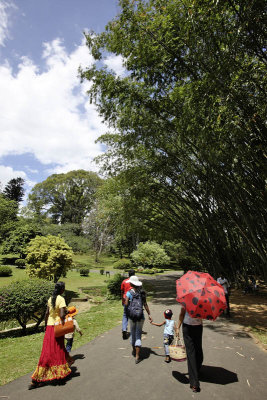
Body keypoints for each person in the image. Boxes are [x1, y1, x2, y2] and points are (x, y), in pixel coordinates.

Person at [29, 281, 71, 389]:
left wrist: (45, 324)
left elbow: (47, 314)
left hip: (49, 327)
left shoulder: (50, 298)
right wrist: (67, 312)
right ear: (62, 289)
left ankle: (38, 376)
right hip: (57, 328)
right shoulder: (61, 299)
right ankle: (59, 375)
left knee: (47, 351)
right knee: (58, 349)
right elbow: (61, 315)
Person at [124, 275, 153, 363]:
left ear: (131, 284)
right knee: (138, 334)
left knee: (132, 333)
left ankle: (134, 350)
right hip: (141, 317)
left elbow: (125, 304)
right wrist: (149, 314)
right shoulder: (142, 293)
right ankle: (137, 356)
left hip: (132, 316)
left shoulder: (129, 293)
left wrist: (128, 308)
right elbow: (145, 304)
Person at [177, 307, 203, 393]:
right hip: (189, 327)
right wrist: (178, 327)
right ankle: (194, 382)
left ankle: (195, 370)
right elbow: (182, 313)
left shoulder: (190, 298)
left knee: (197, 352)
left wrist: (177, 327)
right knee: (192, 353)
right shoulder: (192, 300)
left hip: (196, 327)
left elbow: (182, 313)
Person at [121, 269, 135, 339]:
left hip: (125, 299)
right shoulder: (135, 282)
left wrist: (122, 300)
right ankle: (133, 330)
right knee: (133, 315)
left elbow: (122, 291)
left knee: (125, 315)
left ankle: (124, 329)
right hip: (133, 300)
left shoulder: (124, 281)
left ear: (128, 274)